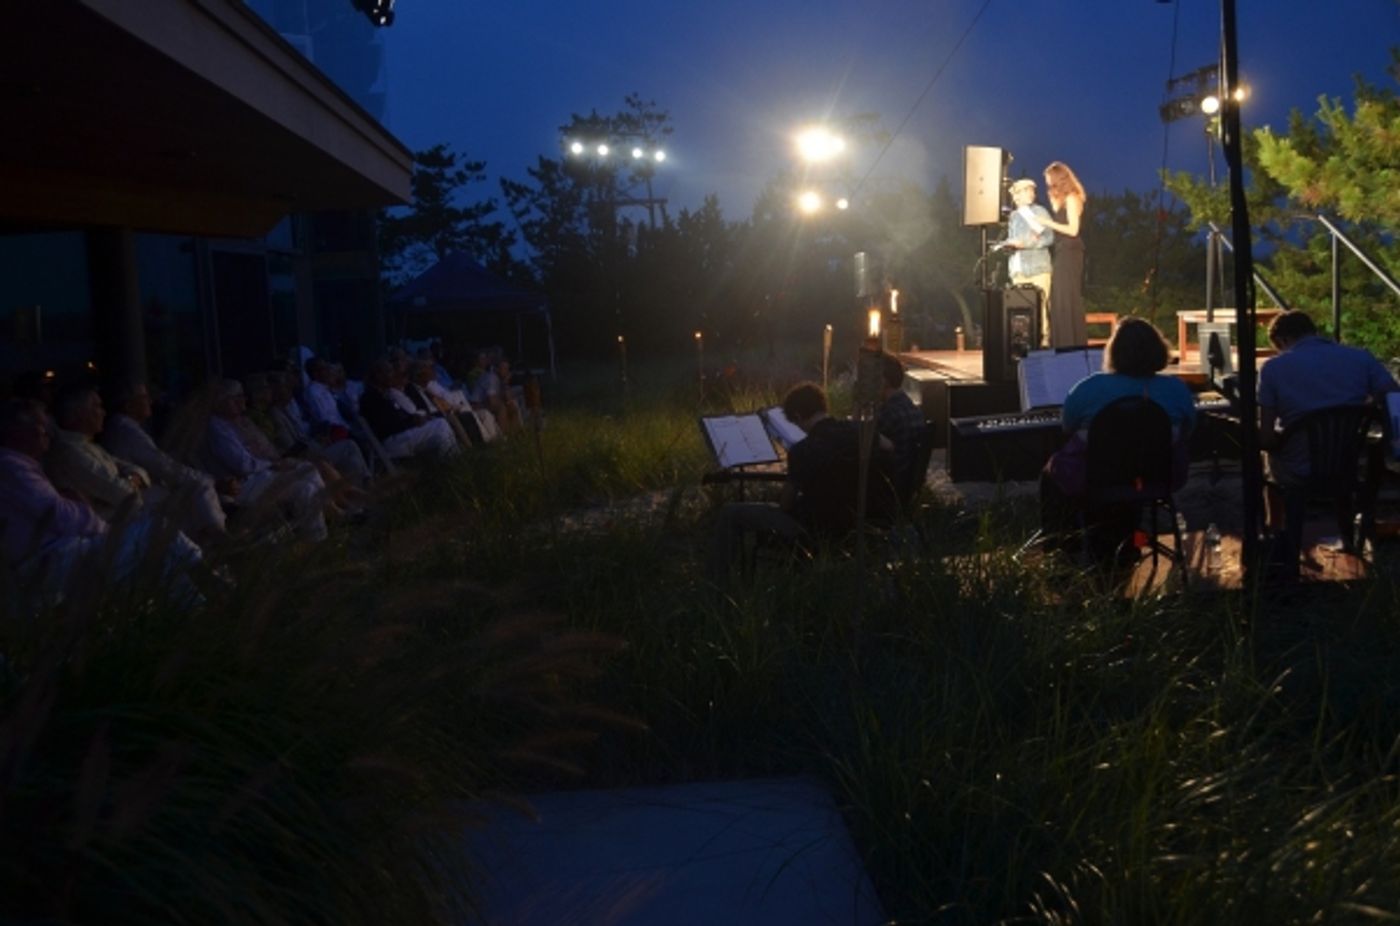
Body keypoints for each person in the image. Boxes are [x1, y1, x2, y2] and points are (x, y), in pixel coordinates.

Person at [0, 398, 204, 605]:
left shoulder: (26, 465)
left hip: (69, 552)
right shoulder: (13, 468)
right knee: (158, 530)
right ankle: (207, 580)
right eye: (40, 426)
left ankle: (199, 604)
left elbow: (131, 474)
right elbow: (58, 514)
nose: (47, 432)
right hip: (55, 562)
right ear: (16, 431)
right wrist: (92, 517)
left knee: (161, 556)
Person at [709, 382, 896, 581]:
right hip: (858, 521)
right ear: (823, 407)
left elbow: (785, 506)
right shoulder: (860, 432)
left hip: (813, 530)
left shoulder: (803, 451)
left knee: (730, 513)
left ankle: (716, 584)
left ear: (798, 416)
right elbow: (889, 446)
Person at [1041, 318, 1196, 540]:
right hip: (1158, 479)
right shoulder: (1177, 390)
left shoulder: (1088, 388)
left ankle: (1062, 547)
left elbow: (1067, 427)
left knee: (1051, 475)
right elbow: (1188, 432)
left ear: (1113, 351)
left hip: (1097, 479)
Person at [1258, 309, 1399, 529]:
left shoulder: (1273, 368)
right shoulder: (1360, 357)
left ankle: (1277, 528)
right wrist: (1364, 410)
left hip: (1299, 468)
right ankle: (1346, 532)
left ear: (1283, 340)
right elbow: (1392, 394)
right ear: (1313, 332)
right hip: (1346, 463)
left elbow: (1266, 438)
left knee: (1266, 459)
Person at [101, 380, 228, 545]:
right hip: (143, 498)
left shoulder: (124, 427)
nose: (150, 401)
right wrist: (204, 479)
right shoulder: (125, 429)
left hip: (147, 492)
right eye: (144, 397)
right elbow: (161, 465)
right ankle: (220, 539)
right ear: (129, 405)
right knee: (201, 484)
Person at [202, 379, 329, 542]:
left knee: (307, 469)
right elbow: (243, 465)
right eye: (237, 397)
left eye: (243, 396)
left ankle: (321, 523)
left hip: (259, 476)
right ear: (222, 401)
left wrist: (275, 463)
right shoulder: (216, 428)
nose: (243, 401)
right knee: (305, 489)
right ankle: (315, 539)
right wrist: (273, 465)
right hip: (243, 485)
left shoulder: (233, 423)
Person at [358, 359, 459, 460]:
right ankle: (453, 463)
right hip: (392, 441)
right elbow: (387, 426)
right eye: (389, 372)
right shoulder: (371, 398)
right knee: (441, 424)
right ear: (378, 376)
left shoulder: (383, 394)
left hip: (400, 436)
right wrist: (412, 421)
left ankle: (451, 462)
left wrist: (414, 420)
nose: (392, 375)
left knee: (441, 433)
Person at [1037, 161, 1088, 348]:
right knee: (1058, 297)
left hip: (1071, 250)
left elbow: (1073, 230)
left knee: (1067, 296)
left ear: (1059, 177)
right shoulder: (1060, 199)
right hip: (1061, 249)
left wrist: (1046, 222)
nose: (1048, 183)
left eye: (1049, 179)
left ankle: (1071, 343)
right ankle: (1062, 343)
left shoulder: (1073, 198)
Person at [1004, 178, 1055, 347]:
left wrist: (1025, 244)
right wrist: (1007, 246)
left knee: (1040, 308)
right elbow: (1013, 239)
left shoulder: (1039, 211)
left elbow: (1049, 237)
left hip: (1037, 267)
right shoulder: (1013, 216)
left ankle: (1043, 342)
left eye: (1031, 190)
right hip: (1018, 269)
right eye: (1026, 190)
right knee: (1019, 310)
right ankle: (1023, 343)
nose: (1030, 193)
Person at [875, 351, 925, 493]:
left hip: (888, 488)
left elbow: (862, 446)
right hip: (906, 487)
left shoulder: (889, 414)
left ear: (883, 380)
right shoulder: (913, 410)